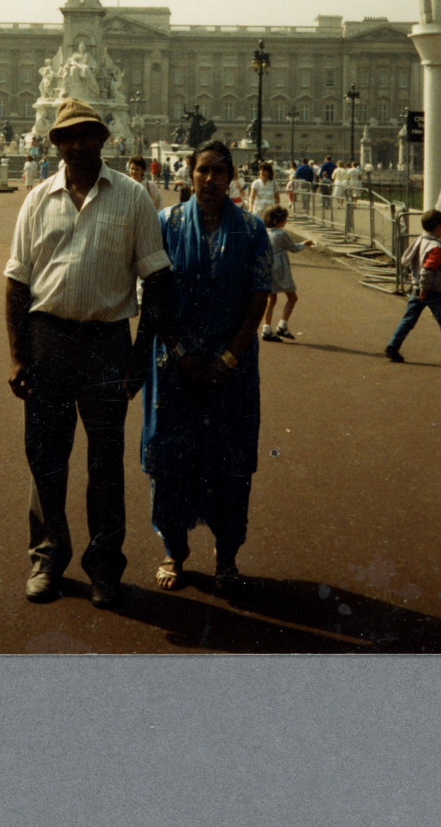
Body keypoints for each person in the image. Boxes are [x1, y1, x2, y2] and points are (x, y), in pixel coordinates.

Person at [4, 98, 175, 610]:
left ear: (104, 140)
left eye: (86, 135)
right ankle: (48, 558)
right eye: (67, 137)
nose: (77, 145)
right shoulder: (36, 200)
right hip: (48, 342)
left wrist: (140, 354)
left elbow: (159, 283)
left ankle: (104, 566)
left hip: (105, 344)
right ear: (55, 144)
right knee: (46, 461)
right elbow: (16, 284)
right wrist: (17, 357)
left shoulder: (133, 197)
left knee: (105, 464)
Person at [138, 139, 272, 592]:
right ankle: (174, 551)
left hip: (232, 368)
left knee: (230, 461)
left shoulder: (252, 230)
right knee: (171, 459)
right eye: (203, 171)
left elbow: (259, 297)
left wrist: (228, 356)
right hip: (176, 366)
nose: (211, 180)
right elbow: (154, 294)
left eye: (219, 172)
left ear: (232, 176)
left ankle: (227, 555)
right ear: (189, 175)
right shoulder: (166, 224)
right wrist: (182, 352)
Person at [384, 209, 441, 368]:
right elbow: (428, 270)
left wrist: (420, 287)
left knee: (408, 319)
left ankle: (393, 346)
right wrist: (425, 288)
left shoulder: (420, 239)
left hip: (417, 287)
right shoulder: (436, 246)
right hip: (433, 291)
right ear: (438, 227)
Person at [260, 205, 309, 340]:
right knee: (292, 297)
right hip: (280, 268)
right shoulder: (281, 234)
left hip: (268, 267)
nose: (285, 221)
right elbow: (293, 248)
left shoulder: (264, 232)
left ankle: (267, 328)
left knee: (272, 299)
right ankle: (282, 325)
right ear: (277, 220)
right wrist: (305, 244)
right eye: (284, 219)